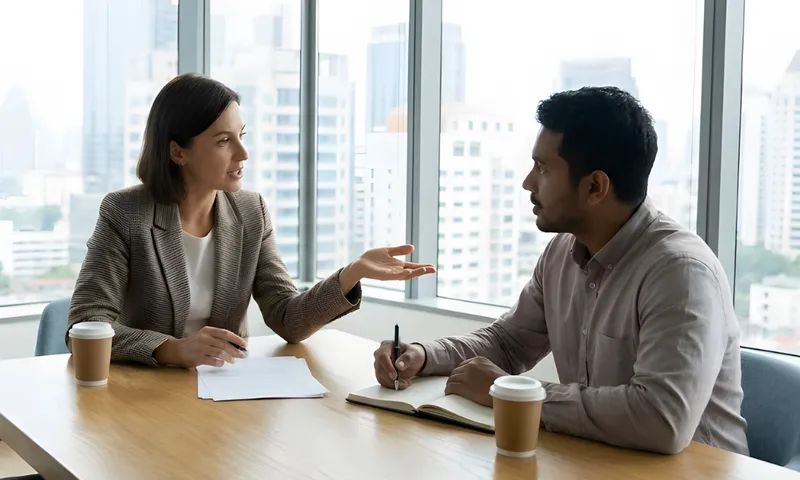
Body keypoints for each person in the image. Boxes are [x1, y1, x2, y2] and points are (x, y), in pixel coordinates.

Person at [373, 86, 749, 456]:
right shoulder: (562, 251)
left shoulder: (680, 273)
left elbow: (660, 420)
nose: (527, 183)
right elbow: (508, 343)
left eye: (542, 168)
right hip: (600, 461)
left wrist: (508, 391)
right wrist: (424, 355)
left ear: (595, 187)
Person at [67, 73, 435, 368]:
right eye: (223, 141)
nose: (243, 153)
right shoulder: (125, 213)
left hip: (226, 394)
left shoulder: (250, 211)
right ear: (178, 151)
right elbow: (85, 324)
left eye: (241, 136)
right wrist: (173, 349)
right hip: (144, 398)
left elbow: (288, 319)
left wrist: (351, 274)